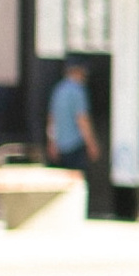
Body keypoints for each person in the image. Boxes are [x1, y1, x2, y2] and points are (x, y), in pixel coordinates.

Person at [46, 61, 101, 204]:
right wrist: (92, 143)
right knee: (78, 183)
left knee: (63, 181)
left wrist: (52, 142)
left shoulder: (58, 90)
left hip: (61, 145)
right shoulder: (78, 91)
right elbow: (82, 119)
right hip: (76, 144)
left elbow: (52, 119)